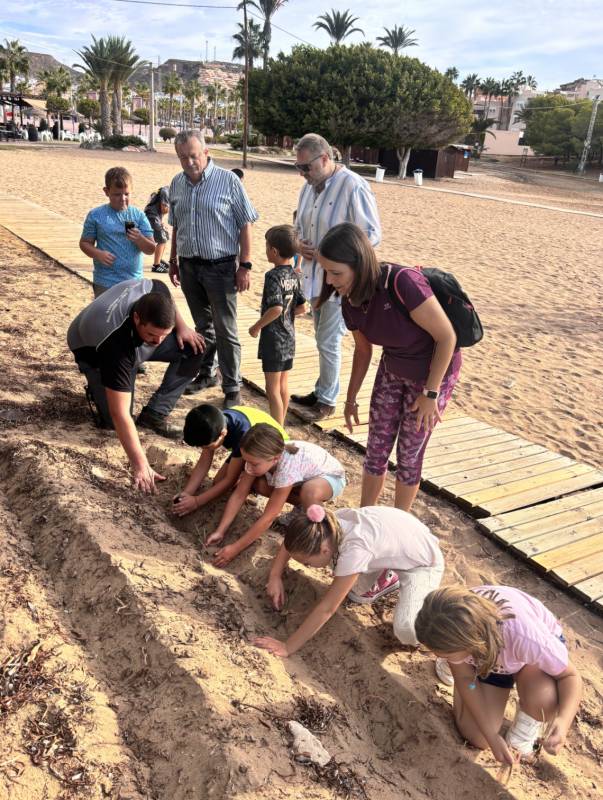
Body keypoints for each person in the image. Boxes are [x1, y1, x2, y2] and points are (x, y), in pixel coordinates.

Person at [318, 223, 460, 514]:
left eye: (336, 272)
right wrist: (350, 398)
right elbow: (363, 350)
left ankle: (398, 523)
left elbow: (447, 337)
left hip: (431, 374)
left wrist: (430, 394)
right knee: (376, 448)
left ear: (358, 264)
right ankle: (366, 517)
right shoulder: (350, 300)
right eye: (326, 272)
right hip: (393, 367)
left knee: (408, 455)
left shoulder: (401, 281)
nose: (330, 281)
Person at [414, 585, 582, 766]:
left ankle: (527, 725)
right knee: (478, 736)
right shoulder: (450, 623)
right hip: (489, 661)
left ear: (468, 643)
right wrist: (492, 737)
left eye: (444, 654)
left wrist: (563, 722)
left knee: (544, 699)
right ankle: (464, 669)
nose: (437, 655)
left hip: (528, 659)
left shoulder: (528, 638)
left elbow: (571, 677)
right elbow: (464, 679)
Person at [67, 278, 205, 493]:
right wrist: (140, 465)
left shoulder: (154, 292)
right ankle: (98, 385)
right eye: (152, 334)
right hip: (93, 350)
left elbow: (163, 289)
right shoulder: (116, 346)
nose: (158, 342)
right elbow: (120, 412)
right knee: (113, 422)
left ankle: (155, 414)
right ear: (137, 317)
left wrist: (182, 327)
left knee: (194, 348)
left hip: (130, 341)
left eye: (163, 335)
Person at [254, 503, 445, 658]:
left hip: (423, 563)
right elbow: (294, 543)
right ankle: (385, 572)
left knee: (405, 629)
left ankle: (427, 637)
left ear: (324, 550)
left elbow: (327, 608)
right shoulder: (323, 526)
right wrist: (275, 575)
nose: (306, 566)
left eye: (307, 563)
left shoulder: (354, 551)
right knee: (357, 594)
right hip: (398, 538)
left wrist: (288, 647)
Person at [290, 133, 381, 420]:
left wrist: (336, 256)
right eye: (299, 168)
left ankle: (327, 400)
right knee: (321, 337)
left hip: (340, 281)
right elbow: (298, 224)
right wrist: (299, 244)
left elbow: (371, 235)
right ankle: (322, 389)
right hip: (313, 277)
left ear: (326, 159)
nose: (303, 173)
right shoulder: (308, 188)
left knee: (329, 339)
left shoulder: (353, 187)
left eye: (307, 167)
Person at [168, 130, 259, 408]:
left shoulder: (228, 181)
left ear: (206, 153)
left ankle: (232, 387)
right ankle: (207, 373)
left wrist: (245, 265)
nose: (189, 162)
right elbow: (176, 226)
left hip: (220, 268)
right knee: (203, 326)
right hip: (189, 267)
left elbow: (246, 223)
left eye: (193, 156)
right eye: (183, 157)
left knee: (226, 329)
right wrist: (173, 260)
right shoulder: (176, 183)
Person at [206, 424, 346, 567]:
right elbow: (239, 494)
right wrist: (220, 530)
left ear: (275, 458)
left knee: (309, 492)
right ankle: (301, 506)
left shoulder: (287, 468)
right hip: (300, 479)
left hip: (331, 478)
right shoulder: (258, 459)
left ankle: (320, 533)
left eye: (253, 464)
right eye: (246, 461)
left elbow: (268, 517)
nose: (248, 467)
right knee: (259, 484)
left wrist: (235, 549)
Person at [173, 403, 288, 516]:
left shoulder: (242, 434)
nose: (205, 449)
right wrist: (187, 493)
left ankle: (249, 485)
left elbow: (229, 480)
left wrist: (197, 502)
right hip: (252, 449)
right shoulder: (214, 422)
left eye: (207, 447)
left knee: (224, 482)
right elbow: (204, 462)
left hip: (271, 455)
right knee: (219, 482)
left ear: (223, 434)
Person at [248, 225, 306, 425]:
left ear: (273, 251)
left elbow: (276, 309)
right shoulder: (294, 274)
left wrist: (256, 326)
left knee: (271, 388)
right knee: (283, 384)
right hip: (289, 337)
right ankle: (280, 424)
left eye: (266, 247)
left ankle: (277, 428)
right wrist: (286, 317)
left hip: (274, 338)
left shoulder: (273, 276)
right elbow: (302, 308)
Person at [80, 166, 156, 297]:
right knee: (106, 316)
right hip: (105, 281)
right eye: (117, 194)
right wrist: (98, 254)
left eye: (126, 194)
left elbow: (151, 249)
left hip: (133, 281)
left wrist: (140, 239)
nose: (122, 198)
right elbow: (85, 243)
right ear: (106, 191)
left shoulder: (137, 215)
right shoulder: (96, 215)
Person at [144, 186, 171, 273]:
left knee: (165, 235)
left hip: (152, 216)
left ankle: (159, 259)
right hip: (152, 217)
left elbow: (157, 207)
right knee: (162, 239)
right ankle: (156, 265)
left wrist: (161, 222)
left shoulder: (161, 190)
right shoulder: (166, 191)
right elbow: (164, 209)